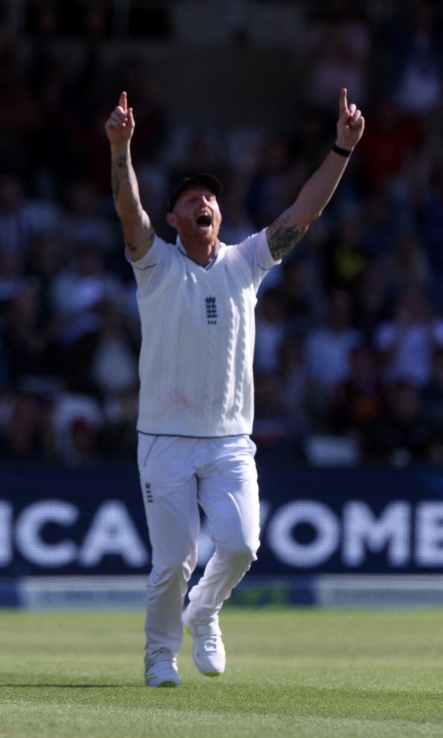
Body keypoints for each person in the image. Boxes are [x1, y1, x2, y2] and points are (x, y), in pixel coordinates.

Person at [104, 88, 364, 687]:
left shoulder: (247, 261)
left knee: (243, 543)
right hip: (164, 438)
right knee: (172, 561)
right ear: (173, 219)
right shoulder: (155, 264)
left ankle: (206, 610)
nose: (204, 202)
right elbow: (127, 210)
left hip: (228, 439)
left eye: (211, 198)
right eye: (191, 198)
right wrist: (120, 149)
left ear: (221, 215)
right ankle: (159, 655)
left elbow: (304, 213)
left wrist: (342, 150)